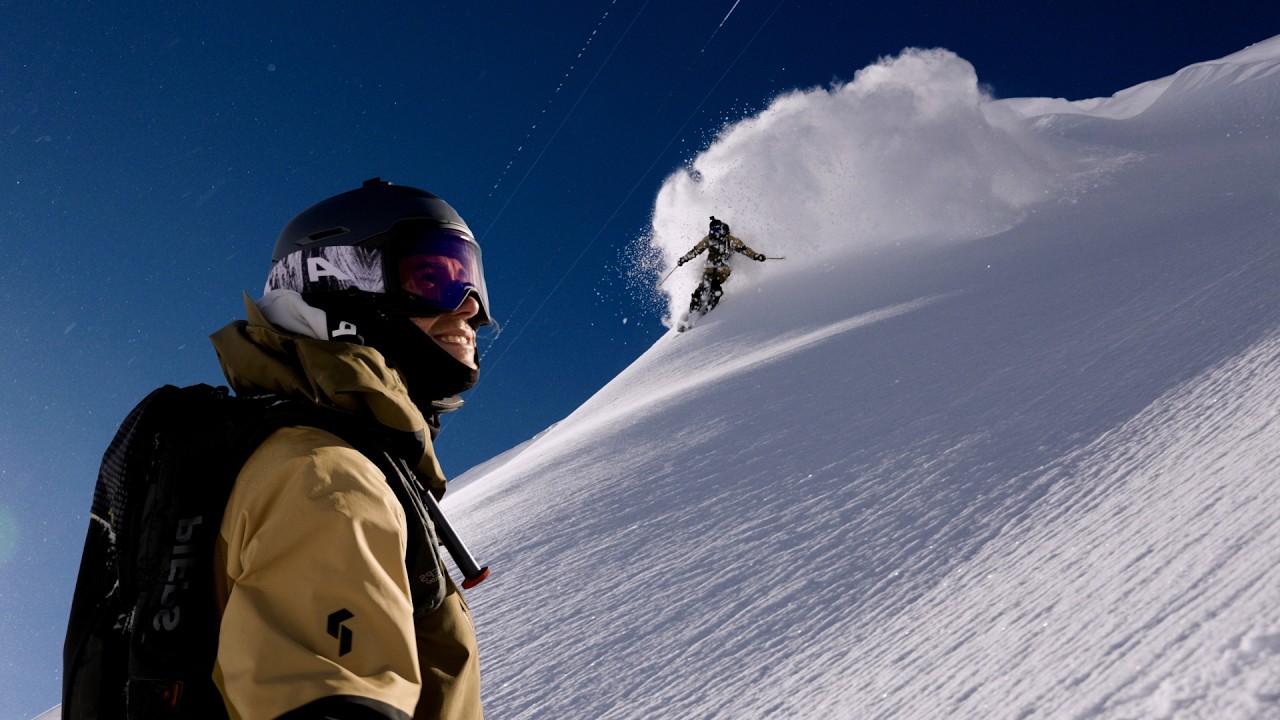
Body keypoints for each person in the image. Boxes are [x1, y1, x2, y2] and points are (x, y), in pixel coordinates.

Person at [208, 178, 489, 719]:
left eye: (471, 281)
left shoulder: (320, 460)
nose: (470, 310)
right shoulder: (326, 479)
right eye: (430, 277)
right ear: (338, 282)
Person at [676, 216, 767, 319]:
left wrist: (755, 256)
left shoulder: (730, 240)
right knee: (702, 287)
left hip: (723, 270)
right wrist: (684, 259)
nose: (716, 232)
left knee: (715, 285)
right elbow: (696, 250)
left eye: (718, 229)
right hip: (709, 269)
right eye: (713, 230)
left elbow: (743, 249)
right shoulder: (709, 240)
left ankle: (710, 305)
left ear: (722, 228)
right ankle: (693, 310)